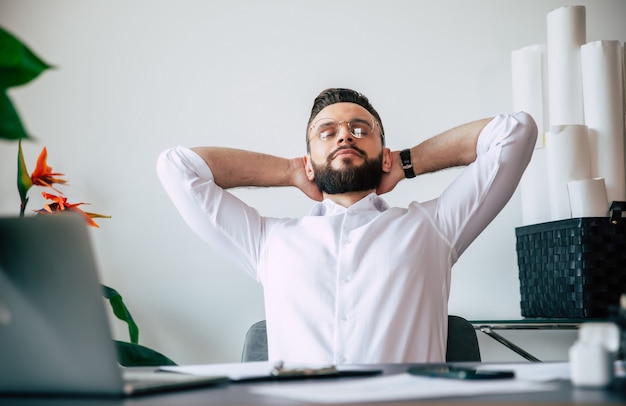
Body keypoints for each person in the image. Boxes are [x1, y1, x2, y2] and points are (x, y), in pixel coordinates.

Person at [157, 88, 537, 364]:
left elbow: (514, 132)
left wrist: (406, 162)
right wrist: (291, 171)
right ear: (309, 162)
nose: (344, 135)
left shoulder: (433, 228)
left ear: (383, 155)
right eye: (327, 132)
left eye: (360, 129)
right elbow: (177, 167)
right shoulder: (269, 242)